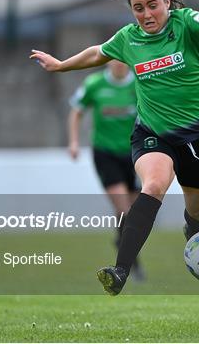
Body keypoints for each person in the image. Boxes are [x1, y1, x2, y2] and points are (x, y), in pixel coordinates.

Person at [30, 0, 199, 296]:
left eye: (152, 5)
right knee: (154, 184)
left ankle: (194, 228)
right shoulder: (130, 38)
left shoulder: (188, 24)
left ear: (168, 2)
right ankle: (121, 270)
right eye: (138, 8)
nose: (146, 14)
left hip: (195, 137)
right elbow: (98, 53)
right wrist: (61, 65)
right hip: (151, 134)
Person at [68, 60, 145, 281]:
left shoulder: (138, 83)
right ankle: (132, 263)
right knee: (124, 209)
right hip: (105, 154)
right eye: (114, 59)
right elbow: (76, 111)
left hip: (134, 153)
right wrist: (73, 142)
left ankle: (122, 239)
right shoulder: (95, 83)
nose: (119, 65)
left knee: (136, 213)